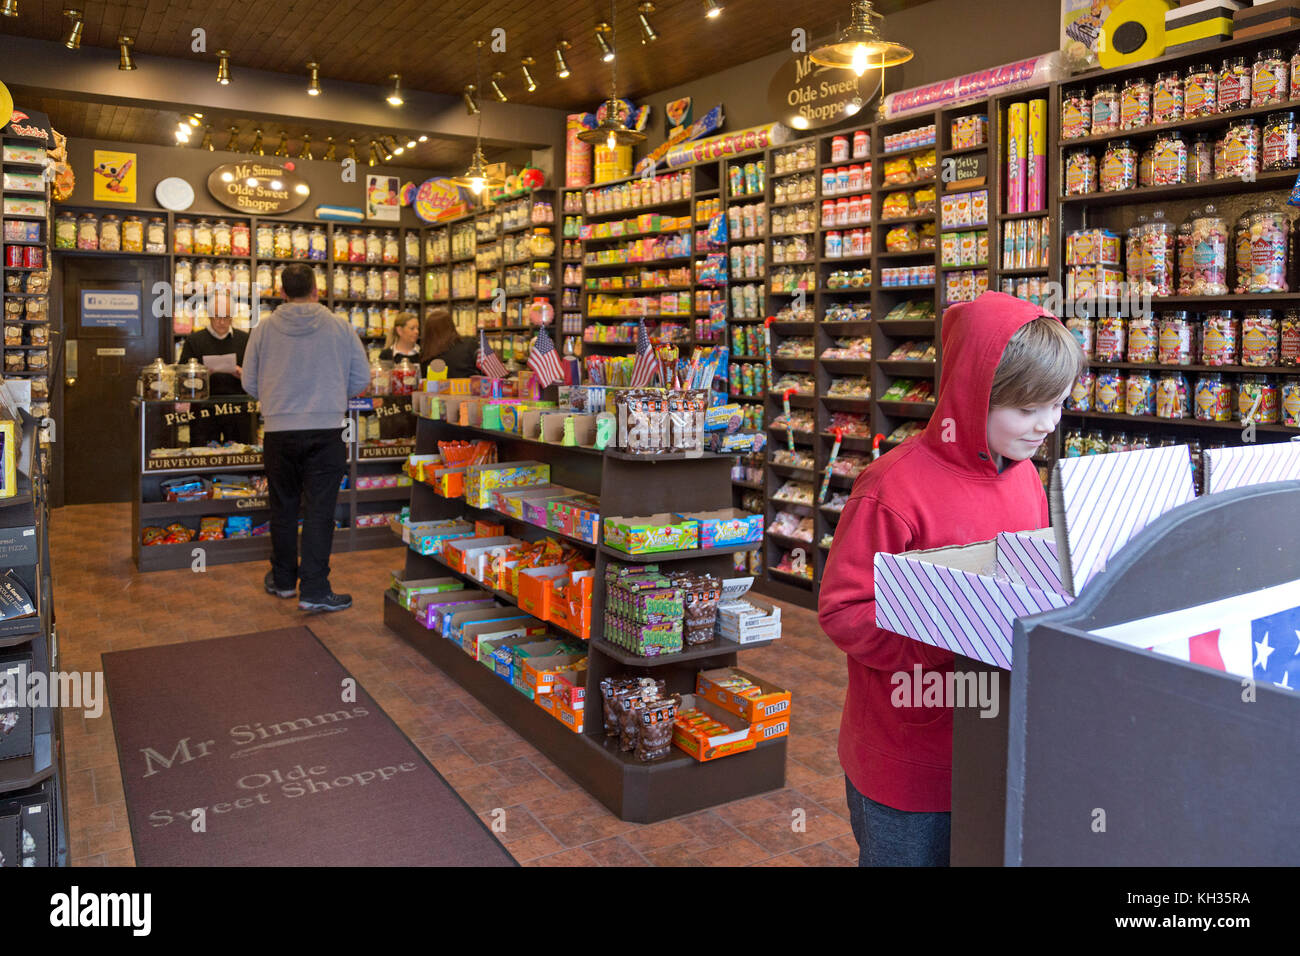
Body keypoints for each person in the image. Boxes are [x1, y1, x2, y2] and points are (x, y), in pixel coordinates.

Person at [818, 291, 1083, 867]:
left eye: (1059, 404)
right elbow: (844, 610)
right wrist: (955, 638)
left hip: (995, 743)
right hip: (907, 758)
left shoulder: (1026, 478)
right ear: (974, 392)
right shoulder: (891, 489)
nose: (1048, 425)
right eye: (1030, 408)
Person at [242, 263, 370, 612]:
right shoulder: (340, 327)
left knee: (282, 507)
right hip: (327, 429)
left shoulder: (263, 329)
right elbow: (360, 378)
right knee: (319, 511)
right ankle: (314, 588)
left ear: (281, 292)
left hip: (279, 430)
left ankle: (283, 580)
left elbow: (249, 383)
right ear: (316, 288)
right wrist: (329, 393)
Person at [177, 306, 253, 446]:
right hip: (203, 410)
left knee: (240, 455)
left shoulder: (245, 339)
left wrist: (242, 373)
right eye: (218, 317)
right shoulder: (194, 340)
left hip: (238, 408)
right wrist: (202, 375)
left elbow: (255, 374)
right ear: (210, 316)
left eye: (227, 317)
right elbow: (183, 375)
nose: (222, 322)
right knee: (203, 457)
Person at [417, 307, 477, 379]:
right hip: (467, 389)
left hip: (437, 390)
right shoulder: (469, 345)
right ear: (451, 326)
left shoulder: (425, 354)